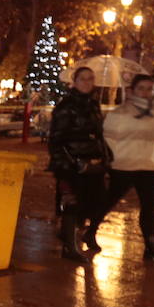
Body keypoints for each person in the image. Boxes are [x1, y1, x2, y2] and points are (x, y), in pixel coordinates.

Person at [94, 73, 154, 260]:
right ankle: (90, 230)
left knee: (149, 207)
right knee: (108, 202)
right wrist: (114, 161)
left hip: (148, 165)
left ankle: (151, 245)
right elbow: (108, 140)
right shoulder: (120, 113)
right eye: (141, 88)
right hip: (124, 165)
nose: (145, 93)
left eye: (149, 89)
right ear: (132, 90)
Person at [48, 66, 109, 261]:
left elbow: (99, 134)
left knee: (93, 202)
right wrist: (66, 162)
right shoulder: (66, 106)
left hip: (93, 162)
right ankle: (69, 247)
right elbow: (56, 138)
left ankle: (78, 235)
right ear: (74, 81)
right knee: (71, 203)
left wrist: (105, 156)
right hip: (71, 163)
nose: (87, 83)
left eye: (90, 79)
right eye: (83, 79)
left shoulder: (93, 104)